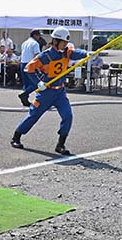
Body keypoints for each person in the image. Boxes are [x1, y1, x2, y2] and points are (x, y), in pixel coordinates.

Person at [11, 27, 87, 155]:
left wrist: (87, 53)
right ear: (55, 41)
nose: (65, 45)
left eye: (66, 43)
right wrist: (38, 83)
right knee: (33, 116)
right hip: (46, 92)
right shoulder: (45, 56)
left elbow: (76, 53)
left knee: (68, 116)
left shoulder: (66, 52)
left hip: (60, 92)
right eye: (63, 42)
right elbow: (28, 68)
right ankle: (16, 137)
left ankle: (60, 145)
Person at [18, 29, 44, 106]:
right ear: (35, 35)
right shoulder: (35, 44)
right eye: (39, 35)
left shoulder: (24, 43)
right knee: (36, 83)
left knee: (26, 84)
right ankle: (24, 95)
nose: (39, 37)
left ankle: (25, 99)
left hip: (23, 63)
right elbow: (37, 56)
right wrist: (39, 67)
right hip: (31, 65)